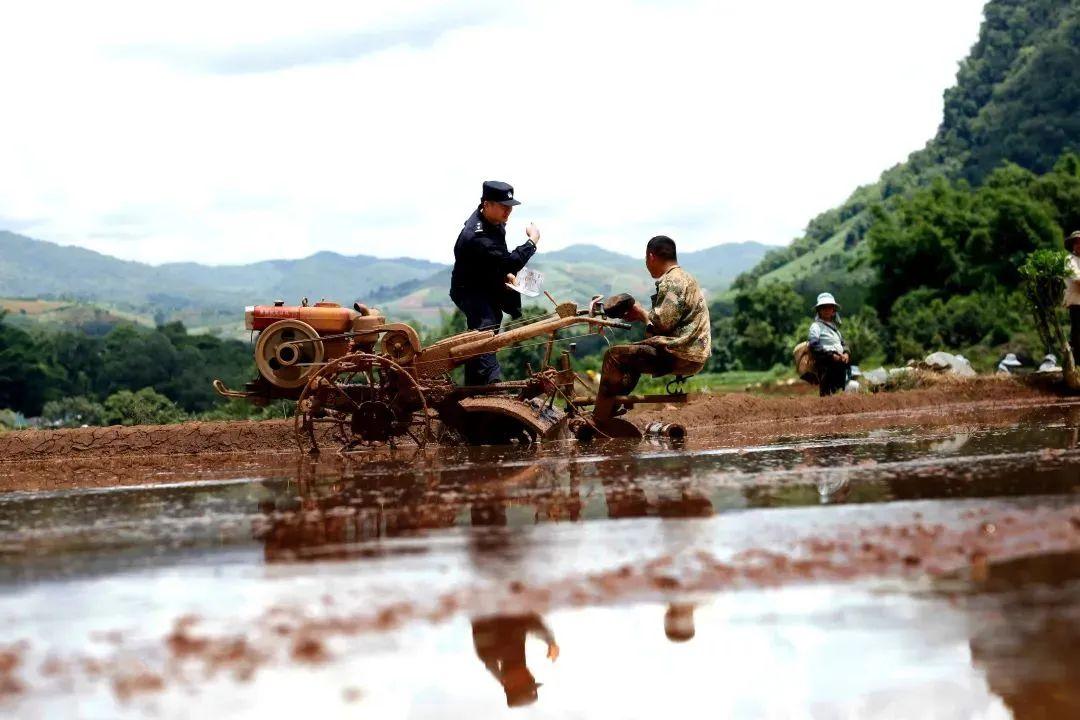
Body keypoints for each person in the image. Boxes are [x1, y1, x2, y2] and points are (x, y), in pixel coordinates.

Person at [593, 235, 711, 425]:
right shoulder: (686, 278)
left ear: (651, 256)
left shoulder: (673, 281)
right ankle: (612, 410)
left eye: (646, 260)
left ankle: (599, 419)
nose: (646, 264)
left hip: (679, 351)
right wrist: (641, 316)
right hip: (691, 351)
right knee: (631, 356)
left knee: (614, 356)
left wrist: (640, 311)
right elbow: (665, 322)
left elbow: (662, 325)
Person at [450, 180, 540, 385]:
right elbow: (509, 262)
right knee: (486, 327)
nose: (508, 211)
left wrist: (502, 273)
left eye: (510, 207)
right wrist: (532, 241)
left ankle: (474, 387)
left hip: (485, 283)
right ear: (487, 204)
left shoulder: (493, 222)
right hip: (469, 291)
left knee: (488, 325)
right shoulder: (477, 235)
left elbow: (495, 261)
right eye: (503, 206)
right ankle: (492, 383)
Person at [471, 613, 559, 707]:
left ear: (511, 685)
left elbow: (524, 619)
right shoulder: (515, 662)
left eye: (527, 682)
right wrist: (551, 641)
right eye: (531, 680)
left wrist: (550, 640)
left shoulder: (488, 653)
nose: (532, 677)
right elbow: (527, 620)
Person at [808, 292, 850, 397]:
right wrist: (832, 355)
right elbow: (813, 345)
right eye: (824, 308)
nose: (827, 310)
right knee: (827, 394)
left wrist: (846, 353)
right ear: (819, 310)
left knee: (839, 393)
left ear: (833, 311)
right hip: (826, 365)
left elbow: (843, 343)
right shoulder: (816, 326)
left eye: (829, 308)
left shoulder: (835, 329)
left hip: (840, 364)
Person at [1063, 230, 1080, 363]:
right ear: (1073, 245)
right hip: (1076, 302)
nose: (1079, 245)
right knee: (1077, 335)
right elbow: (1076, 279)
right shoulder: (1070, 260)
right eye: (1076, 242)